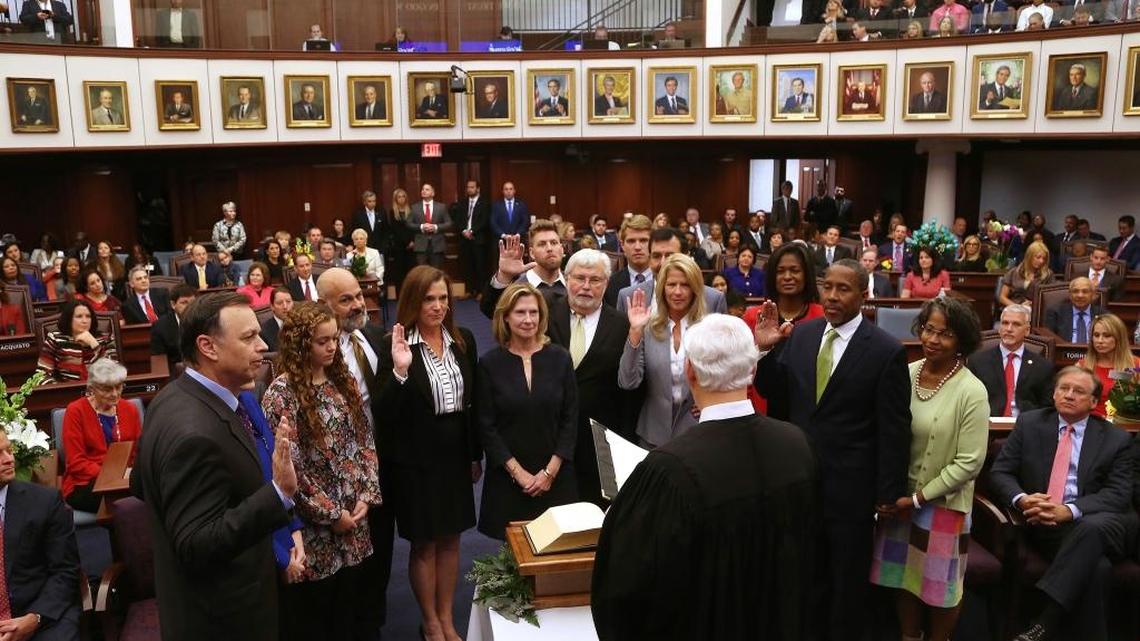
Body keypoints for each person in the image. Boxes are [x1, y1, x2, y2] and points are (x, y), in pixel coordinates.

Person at [592, 314, 817, 641]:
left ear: (690, 371)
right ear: (752, 371)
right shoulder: (798, 446)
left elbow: (627, 593)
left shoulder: (667, 471)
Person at [753, 259, 912, 641]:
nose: (833, 296)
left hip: (851, 488)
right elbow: (777, 395)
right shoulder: (803, 335)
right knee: (804, 574)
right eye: (828, 288)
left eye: (844, 289)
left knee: (846, 581)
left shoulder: (885, 350)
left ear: (864, 295)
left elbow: (894, 427)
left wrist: (888, 491)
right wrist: (764, 353)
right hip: (799, 479)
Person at [132, 292, 298, 641]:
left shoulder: (172, 397)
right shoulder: (195, 433)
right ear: (208, 346)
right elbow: (195, 545)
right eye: (249, 337)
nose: (264, 345)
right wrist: (277, 494)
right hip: (222, 619)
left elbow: (141, 485)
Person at [870, 298, 988, 641]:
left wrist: (919, 498)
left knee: (941, 588)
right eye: (928, 330)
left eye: (945, 334)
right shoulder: (905, 373)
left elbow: (970, 462)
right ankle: (910, 636)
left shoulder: (971, 390)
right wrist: (892, 493)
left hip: (942, 506)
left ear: (962, 341)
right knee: (903, 577)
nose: (933, 339)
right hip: (899, 502)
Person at [260, 302, 379, 641]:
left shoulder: (344, 381)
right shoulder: (281, 394)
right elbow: (288, 469)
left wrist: (366, 496)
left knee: (353, 613)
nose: (330, 347)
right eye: (321, 341)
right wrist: (331, 514)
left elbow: (365, 442)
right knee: (320, 620)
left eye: (334, 339)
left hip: (355, 518)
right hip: (315, 531)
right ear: (300, 344)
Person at [990, 366, 1135, 641]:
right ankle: (1052, 626)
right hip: (1048, 525)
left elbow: (1118, 494)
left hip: (1105, 523)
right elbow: (1000, 472)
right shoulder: (1031, 424)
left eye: (1078, 391)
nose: (1068, 395)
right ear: (1054, 393)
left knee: (1091, 527)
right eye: (1063, 388)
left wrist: (1069, 510)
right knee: (1097, 569)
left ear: (1094, 402)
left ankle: (1043, 622)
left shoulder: (1115, 438)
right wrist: (1023, 500)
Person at [373, 266, 479, 641]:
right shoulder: (396, 344)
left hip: (454, 453)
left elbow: (474, 402)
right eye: (429, 299)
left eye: (442, 298)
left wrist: (474, 455)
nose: (437, 306)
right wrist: (401, 373)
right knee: (424, 543)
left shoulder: (463, 339)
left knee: (452, 538)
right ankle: (430, 622)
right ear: (413, 302)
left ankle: (447, 617)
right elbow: (383, 413)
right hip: (415, 460)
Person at [313, 269, 392, 637]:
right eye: (345, 299)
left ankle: (373, 622)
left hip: (381, 468)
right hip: (337, 480)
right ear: (323, 304)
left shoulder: (375, 335)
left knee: (381, 552)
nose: (358, 304)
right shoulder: (316, 352)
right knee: (346, 566)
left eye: (358, 295)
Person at [476, 284, 578, 539]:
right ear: (506, 317)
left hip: (555, 477)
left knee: (555, 563)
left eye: (534, 312)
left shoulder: (560, 358)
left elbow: (570, 418)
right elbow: (485, 426)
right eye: (520, 312)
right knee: (513, 564)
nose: (528, 319)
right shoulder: (489, 364)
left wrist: (549, 473)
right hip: (509, 481)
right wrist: (519, 474)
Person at [0, 427, 82, 639]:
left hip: (41, 617)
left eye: (9, 450)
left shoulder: (44, 502)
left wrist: (34, 618)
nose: (9, 459)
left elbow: (65, 571)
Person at [620, 254, 708, 448]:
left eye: (685, 285)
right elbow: (628, 382)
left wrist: (708, 404)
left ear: (695, 288)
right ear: (662, 287)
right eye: (671, 284)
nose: (677, 292)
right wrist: (635, 331)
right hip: (652, 435)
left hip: (697, 434)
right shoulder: (648, 326)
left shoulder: (708, 327)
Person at [60, 358, 141, 513]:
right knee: (125, 503)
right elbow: (76, 463)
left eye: (119, 387)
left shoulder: (129, 409)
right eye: (107, 389)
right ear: (92, 388)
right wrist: (113, 476)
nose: (115, 394)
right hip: (85, 483)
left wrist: (129, 474)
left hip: (125, 478)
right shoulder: (75, 411)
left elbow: (139, 451)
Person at [967, 304, 1055, 417]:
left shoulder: (1042, 366)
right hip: (989, 424)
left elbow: (1047, 407)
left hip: (1026, 426)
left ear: (1027, 330)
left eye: (1016, 324)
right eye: (1005, 323)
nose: (1009, 329)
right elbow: (970, 400)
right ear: (999, 329)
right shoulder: (978, 361)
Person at [616, 227, 727, 316]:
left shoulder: (713, 300)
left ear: (686, 256)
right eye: (656, 256)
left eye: (670, 255)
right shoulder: (628, 297)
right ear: (649, 258)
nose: (663, 263)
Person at [36, 298, 115, 385]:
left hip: (102, 392)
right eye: (79, 316)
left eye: (88, 316)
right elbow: (40, 376)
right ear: (69, 319)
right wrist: (62, 389)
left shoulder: (106, 339)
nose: (84, 321)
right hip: (68, 393)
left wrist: (94, 345)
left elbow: (114, 372)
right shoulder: (56, 339)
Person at [1076, 313, 1140, 418]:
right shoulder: (1082, 366)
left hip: (1126, 425)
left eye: (1106, 336)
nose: (1100, 341)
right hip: (1092, 424)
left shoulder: (1136, 365)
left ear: (1119, 338)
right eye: (1096, 335)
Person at [450, 179, 491, 295]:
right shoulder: (462, 203)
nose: (469, 189)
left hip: (478, 239)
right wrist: (464, 231)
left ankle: (481, 291)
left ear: (478, 189)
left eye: (472, 187)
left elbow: (484, 221)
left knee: (480, 266)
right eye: (468, 187)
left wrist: (472, 231)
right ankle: (468, 290)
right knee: (467, 266)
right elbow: (457, 220)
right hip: (464, 239)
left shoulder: (484, 203)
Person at [604, 215, 653, 308]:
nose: (637, 247)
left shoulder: (666, 280)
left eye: (643, 240)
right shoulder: (610, 284)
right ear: (622, 245)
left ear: (653, 243)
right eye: (631, 241)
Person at [149, 284, 196, 371]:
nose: (190, 307)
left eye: (193, 302)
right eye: (184, 303)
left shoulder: (204, 321)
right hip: (175, 373)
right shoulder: (160, 326)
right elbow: (158, 357)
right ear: (173, 304)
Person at [998, 240, 1054, 309]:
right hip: (1013, 307)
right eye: (1038, 257)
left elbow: (1051, 299)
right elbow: (1002, 297)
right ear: (1029, 256)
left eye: (1044, 258)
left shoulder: (1048, 275)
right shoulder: (1014, 272)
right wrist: (1018, 307)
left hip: (1035, 310)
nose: (1041, 261)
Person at [1043, 277, 1102, 342]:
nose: (1080, 295)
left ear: (1093, 295)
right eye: (1075, 291)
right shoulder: (1055, 313)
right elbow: (1049, 340)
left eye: (1085, 291)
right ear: (1070, 295)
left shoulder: (1103, 315)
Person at [407, 183, 451, 268]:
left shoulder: (441, 207)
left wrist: (435, 227)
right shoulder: (415, 207)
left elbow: (449, 223)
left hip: (437, 245)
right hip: (421, 245)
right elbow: (408, 223)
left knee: (436, 272)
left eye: (427, 189)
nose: (424, 191)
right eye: (423, 189)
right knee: (422, 273)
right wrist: (421, 227)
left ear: (433, 193)